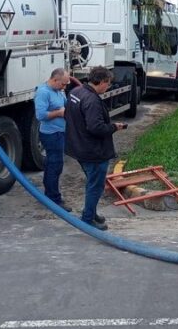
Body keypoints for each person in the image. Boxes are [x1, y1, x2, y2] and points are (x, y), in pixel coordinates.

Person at [65, 66, 127, 231]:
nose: (108, 87)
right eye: (108, 84)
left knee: (92, 183)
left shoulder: (75, 92)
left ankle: (90, 212)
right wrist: (114, 127)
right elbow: (96, 127)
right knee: (95, 186)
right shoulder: (91, 100)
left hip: (78, 147)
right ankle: (87, 219)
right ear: (102, 82)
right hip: (93, 151)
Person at [35, 68, 72, 212]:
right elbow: (41, 115)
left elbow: (65, 104)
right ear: (55, 80)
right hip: (51, 135)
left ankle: (49, 195)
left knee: (54, 165)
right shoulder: (43, 92)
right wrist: (59, 113)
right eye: (63, 84)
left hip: (60, 132)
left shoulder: (58, 91)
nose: (65, 87)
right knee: (54, 166)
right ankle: (53, 198)